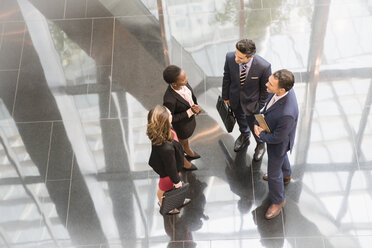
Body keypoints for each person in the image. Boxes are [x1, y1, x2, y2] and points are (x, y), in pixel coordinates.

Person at [254, 69, 299, 219]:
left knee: (273, 175)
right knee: (282, 157)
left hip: (278, 142)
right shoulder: (285, 91)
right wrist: (258, 121)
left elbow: (277, 138)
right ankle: (286, 174)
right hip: (276, 134)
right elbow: (268, 109)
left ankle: (278, 201)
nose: (266, 85)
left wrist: (261, 134)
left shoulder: (287, 113)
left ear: (281, 90)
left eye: (270, 84)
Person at [222, 39, 271, 160]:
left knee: (255, 123)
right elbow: (226, 77)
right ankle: (245, 134)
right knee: (240, 118)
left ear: (251, 57)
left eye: (240, 58)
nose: (236, 59)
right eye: (236, 54)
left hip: (253, 103)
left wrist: (259, 105)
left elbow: (266, 89)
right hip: (235, 98)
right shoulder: (229, 57)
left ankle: (260, 143)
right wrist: (226, 96)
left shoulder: (263, 66)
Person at [147, 105, 190, 215]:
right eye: (170, 115)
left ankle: (174, 201)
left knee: (170, 187)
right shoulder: (166, 148)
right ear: (164, 123)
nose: (172, 115)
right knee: (163, 188)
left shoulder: (161, 131)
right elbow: (171, 167)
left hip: (169, 165)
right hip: (167, 173)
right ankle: (164, 205)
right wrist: (177, 181)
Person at [163, 65, 201, 170]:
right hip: (181, 126)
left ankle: (187, 149)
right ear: (174, 84)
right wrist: (190, 112)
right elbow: (171, 119)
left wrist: (195, 106)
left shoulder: (184, 83)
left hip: (189, 122)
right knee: (180, 141)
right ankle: (183, 161)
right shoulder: (169, 100)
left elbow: (190, 96)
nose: (187, 80)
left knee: (185, 140)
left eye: (185, 77)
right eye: (183, 79)